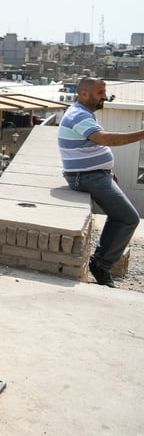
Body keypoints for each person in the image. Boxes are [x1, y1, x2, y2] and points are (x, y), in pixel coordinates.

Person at [58, 77, 144, 287]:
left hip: (95, 175)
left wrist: (107, 170)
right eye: (100, 93)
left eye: (105, 92)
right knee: (129, 218)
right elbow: (106, 140)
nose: (105, 96)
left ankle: (101, 260)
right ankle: (101, 265)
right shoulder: (79, 115)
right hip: (87, 177)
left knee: (120, 216)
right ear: (84, 94)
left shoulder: (83, 113)